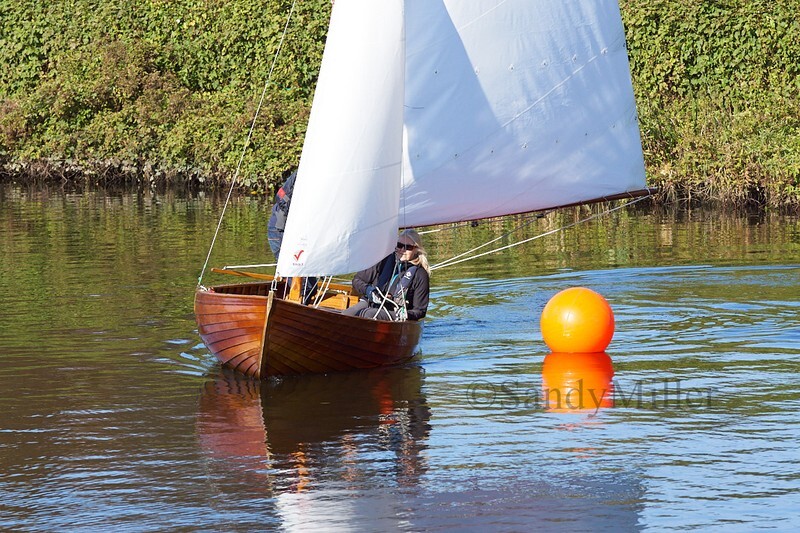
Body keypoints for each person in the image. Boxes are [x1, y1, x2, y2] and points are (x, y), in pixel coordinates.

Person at [343, 229, 430, 321]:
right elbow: (357, 281)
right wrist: (369, 291)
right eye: (399, 245)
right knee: (345, 315)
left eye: (408, 247)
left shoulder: (420, 274)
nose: (402, 250)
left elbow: (420, 310)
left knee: (368, 314)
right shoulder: (383, 260)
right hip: (371, 301)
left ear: (416, 249)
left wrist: (404, 314)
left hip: (395, 311)